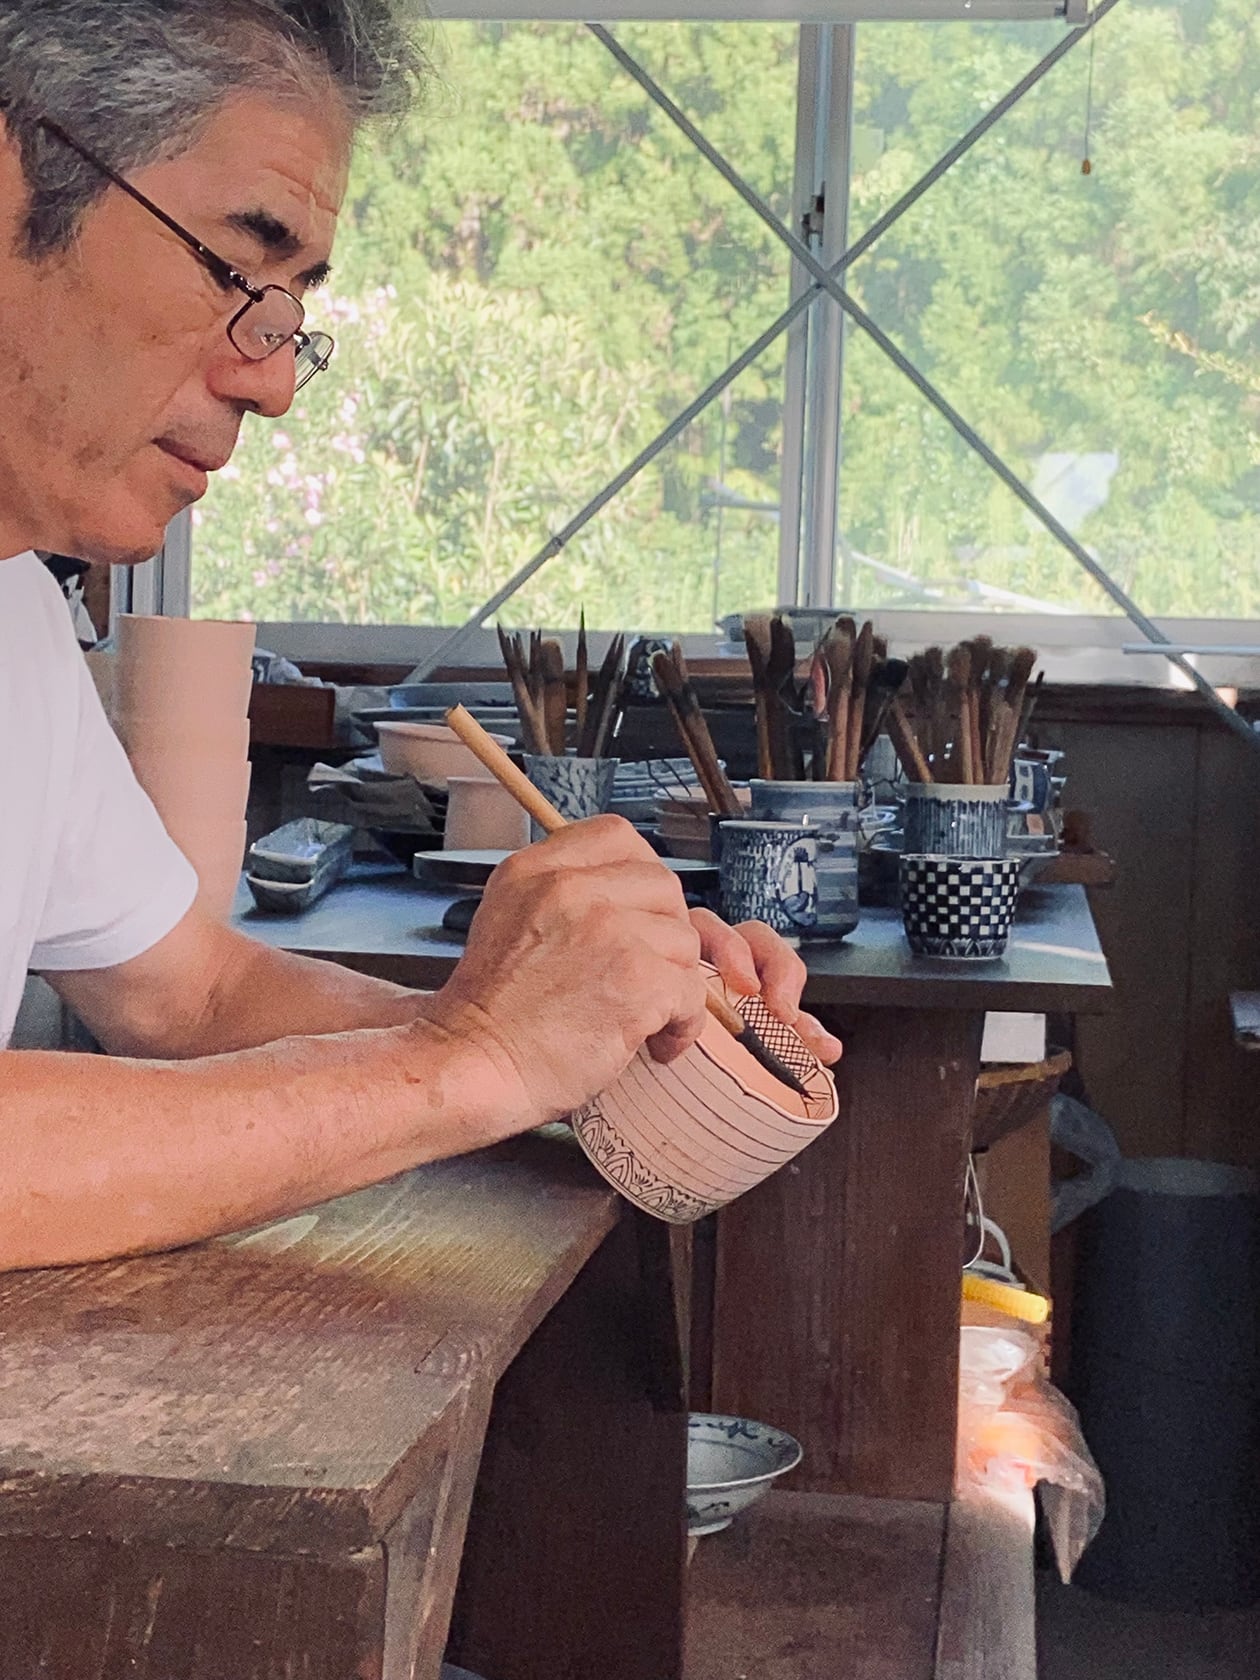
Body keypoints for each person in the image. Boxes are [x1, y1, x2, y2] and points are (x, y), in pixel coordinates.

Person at [0, 1, 841, 1273]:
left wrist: (568, 1032)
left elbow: (194, 992)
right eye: (238, 269)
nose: (271, 379)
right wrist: (468, 1061)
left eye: (293, 308)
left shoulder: (17, 600)